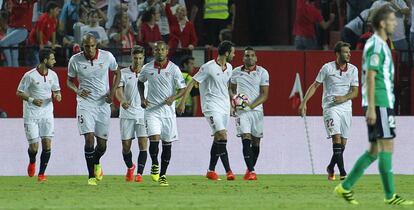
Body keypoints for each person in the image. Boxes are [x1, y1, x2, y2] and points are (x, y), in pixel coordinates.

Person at [334, 6, 413, 205]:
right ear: (382, 23)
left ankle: (345, 187)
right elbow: (371, 75)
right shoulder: (376, 45)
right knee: (386, 146)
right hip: (379, 103)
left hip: (379, 102)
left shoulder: (380, 44)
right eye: (393, 20)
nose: (396, 23)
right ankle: (390, 196)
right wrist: (371, 107)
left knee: (374, 150)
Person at [299, 41, 359, 181]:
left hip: (346, 108)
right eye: (346, 52)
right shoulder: (327, 68)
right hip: (330, 107)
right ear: (338, 53)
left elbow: (355, 92)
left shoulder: (353, 70)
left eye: (349, 52)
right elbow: (315, 86)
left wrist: (344, 97)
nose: (349, 54)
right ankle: (343, 172)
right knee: (336, 138)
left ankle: (331, 167)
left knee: (343, 143)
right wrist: (304, 102)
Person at [67, 33, 120, 186]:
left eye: (92, 46)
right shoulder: (75, 60)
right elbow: (69, 81)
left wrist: (113, 92)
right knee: (89, 138)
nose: (90, 49)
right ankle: (91, 176)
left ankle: (96, 161)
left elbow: (118, 73)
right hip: (85, 104)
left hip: (103, 104)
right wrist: (77, 90)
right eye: (86, 46)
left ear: (96, 45)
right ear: (82, 46)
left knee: (102, 145)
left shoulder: (107, 57)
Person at [177, 40, 235, 181]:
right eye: (233, 52)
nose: (234, 55)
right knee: (222, 135)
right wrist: (182, 102)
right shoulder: (208, 67)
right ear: (226, 53)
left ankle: (210, 170)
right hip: (211, 106)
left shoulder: (230, 67)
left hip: (224, 107)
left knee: (218, 138)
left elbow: (227, 87)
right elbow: (192, 83)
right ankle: (229, 171)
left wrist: (232, 103)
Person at [138, 41, 186, 186]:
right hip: (152, 111)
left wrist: (174, 98)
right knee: (154, 139)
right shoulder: (147, 68)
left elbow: (182, 89)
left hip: (168, 113)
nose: (159, 52)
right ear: (153, 52)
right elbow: (140, 82)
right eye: (157, 50)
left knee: (167, 144)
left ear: (167, 51)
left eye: (162, 50)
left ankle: (163, 175)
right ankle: (154, 163)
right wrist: (142, 98)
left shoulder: (174, 69)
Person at [16, 48, 61, 182]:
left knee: (47, 144)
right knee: (34, 147)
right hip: (31, 114)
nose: (55, 61)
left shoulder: (53, 75)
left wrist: (58, 95)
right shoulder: (29, 75)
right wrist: (32, 100)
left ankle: (41, 174)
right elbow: (19, 92)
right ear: (45, 60)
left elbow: (57, 90)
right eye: (52, 59)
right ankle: (32, 162)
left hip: (47, 113)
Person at [230, 47, 269, 181]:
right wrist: (234, 102)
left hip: (257, 111)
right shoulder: (235, 72)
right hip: (242, 112)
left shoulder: (262, 72)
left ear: (256, 58)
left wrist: (251, 105)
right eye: (247, 56)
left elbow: (265, 94)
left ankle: (249, 169)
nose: (250, 58)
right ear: (243, 58)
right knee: (245, 138)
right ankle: (252, 171)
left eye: (252, 55)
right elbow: (232, 89)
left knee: (256, 142)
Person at [115, 45, 148, 182]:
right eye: (135, 58)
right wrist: (122, 100)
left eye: (140, 58)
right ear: (131, 57)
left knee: (143, 144)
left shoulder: (148, 73)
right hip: (127, 114)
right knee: (126, 146)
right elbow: (118, 90)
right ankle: (130, 167)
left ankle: (139, 174)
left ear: (143, 58)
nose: (138, 61)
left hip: (143, 114)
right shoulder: (123, 73)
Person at [0, 0, 36, 67]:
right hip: (11, 28)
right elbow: (8, 8)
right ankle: (12, 71)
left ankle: (9, 67)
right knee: (14, 56)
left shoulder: (29, 2)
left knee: (2, 43)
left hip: (22, 29)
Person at [26, 2, 61, 66]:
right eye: (56, 10)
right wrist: (41, 44)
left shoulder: (54, 20)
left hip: (43, 43)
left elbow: (53, 32)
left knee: (43, 63)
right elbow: (39, 32)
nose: (58, 12)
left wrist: (53, 44)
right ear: (51, 10)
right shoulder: (43, 18)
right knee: (36, 63)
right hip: (33, 43)